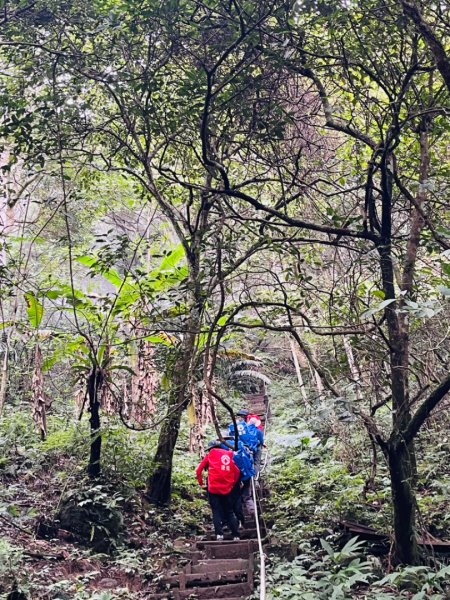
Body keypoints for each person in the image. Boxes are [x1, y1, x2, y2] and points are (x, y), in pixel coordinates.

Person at [196, 440, 241, 541]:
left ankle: (219, 534)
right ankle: (236, 535)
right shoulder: (229, 456)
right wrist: (232, 484)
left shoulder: (210, 456)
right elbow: (237, 471)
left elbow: (199, 470)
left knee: (216, 511)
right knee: (229, 512)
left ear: (211, 449)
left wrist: (201, 484)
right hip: (227, 489)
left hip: (213, 489)